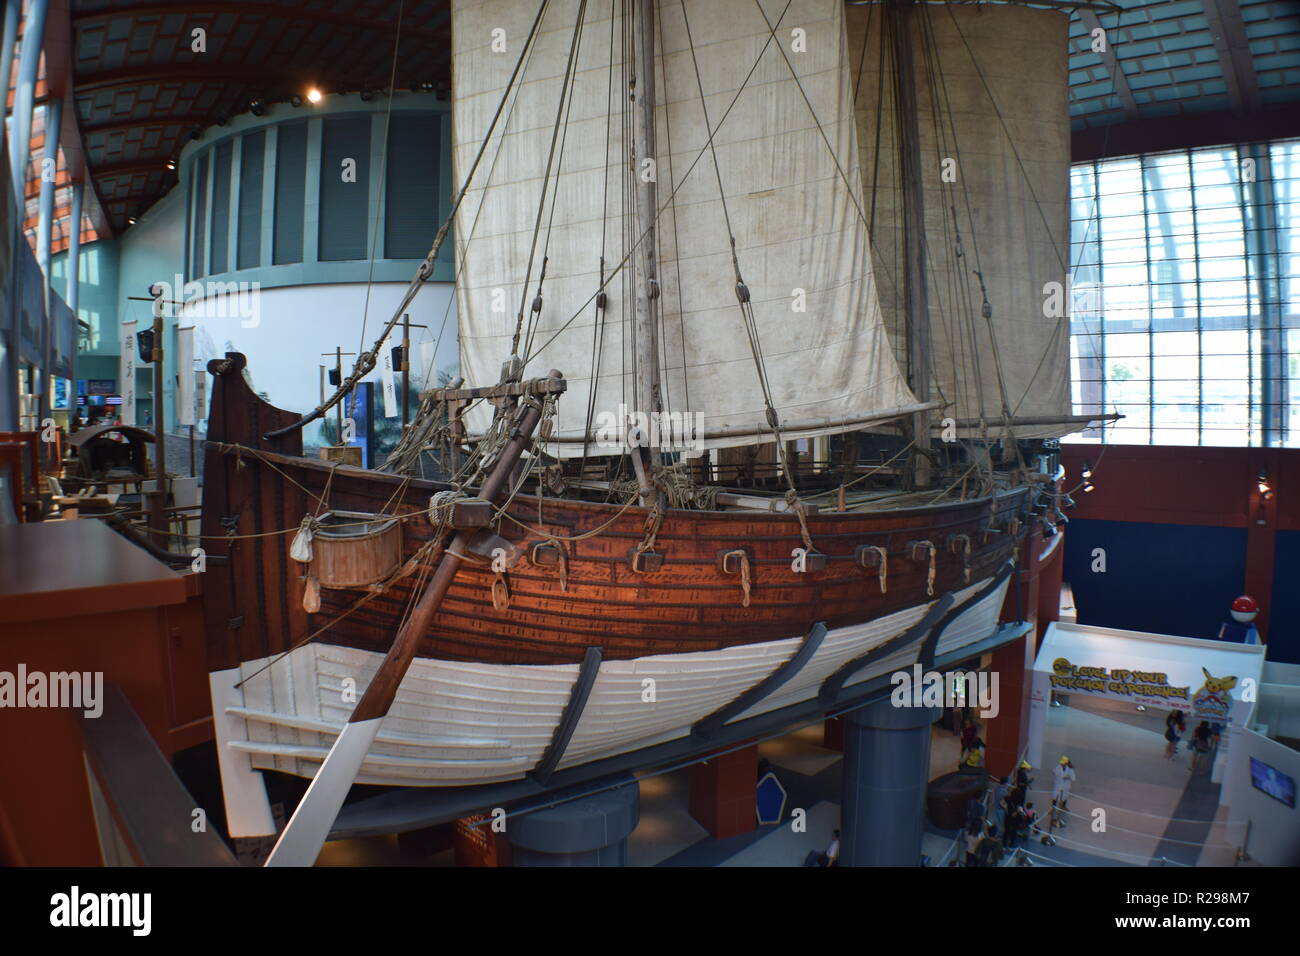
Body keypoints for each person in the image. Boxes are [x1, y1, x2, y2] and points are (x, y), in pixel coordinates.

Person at [1051, 755, 1075, 828]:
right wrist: (1054, 772)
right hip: (1058, 786)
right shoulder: (1058, 767)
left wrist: (1068, 777)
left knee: (1064, 797)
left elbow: (1073, 778)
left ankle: (1063, 807)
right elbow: (1054, 771)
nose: (1062, 764)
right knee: (1055, 797)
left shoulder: (1070, 770)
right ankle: (1053, 808)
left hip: (1065, 787)